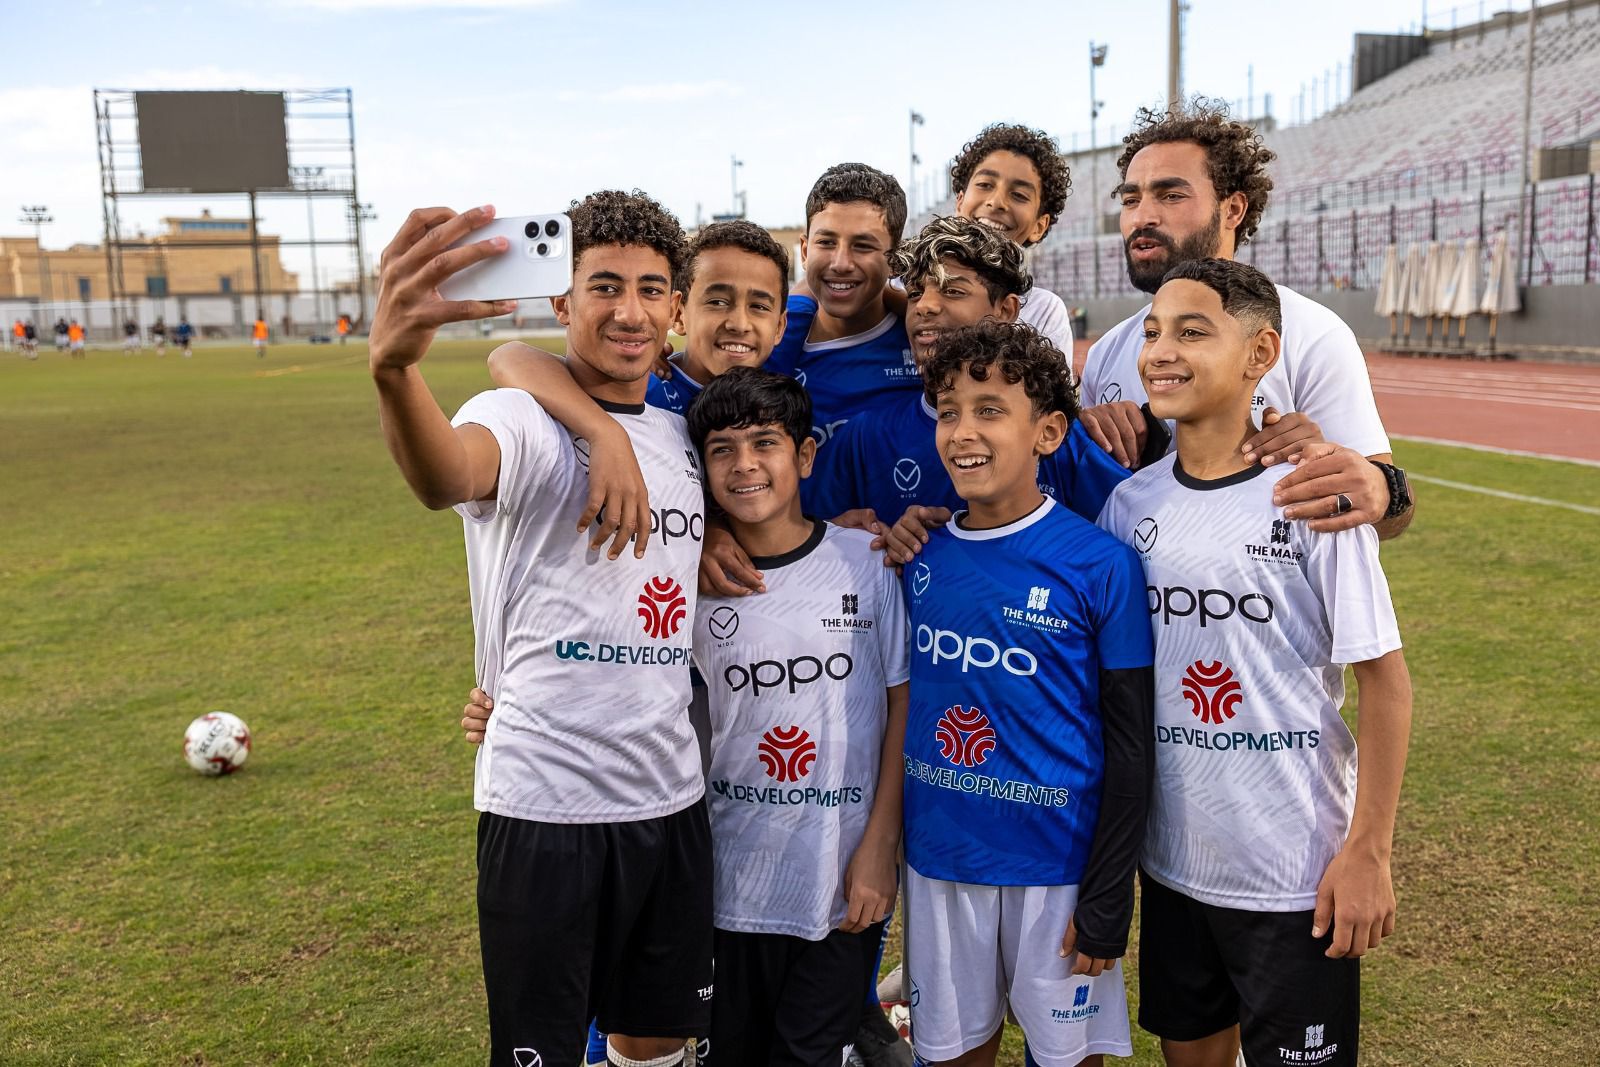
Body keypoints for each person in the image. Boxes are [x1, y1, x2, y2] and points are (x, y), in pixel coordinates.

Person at [369, 192, 711, 1067]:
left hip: (670, 798)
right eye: (603, 286)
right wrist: (395, 371)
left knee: (655, 1043)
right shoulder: (518, 419)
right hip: (545, 805)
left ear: (676, 307)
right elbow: (447, 474)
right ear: (562, 300)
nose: (628, 310)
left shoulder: (684, 437)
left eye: (650, 288)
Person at [1096, 258, 1412, 1067]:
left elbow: (1385, 680)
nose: (1162, 351)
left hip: (1295, 874)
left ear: (1260, 352)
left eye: (1193, 332)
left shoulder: (1312, 495)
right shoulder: (1128, 507)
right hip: (1172, 867)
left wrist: (1369, 850)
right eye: (1153, 332)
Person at [883, 319, 1154, 1067]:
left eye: (990, 410)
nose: (963, 432)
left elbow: (1131, 744)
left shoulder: (1101, 564)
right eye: (948, 412)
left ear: (1049, 432)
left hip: (1056, 869)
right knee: (950, 1053)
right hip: (940, 862)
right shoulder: (917, 552)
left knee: (1066, 1057)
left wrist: (1108, 894)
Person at [1077, 99, 1414, 540]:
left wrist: (1375, 489)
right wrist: (1090, 440)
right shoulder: (1108, 352)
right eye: (1130, 199)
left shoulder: (1310, 331)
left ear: (1233, 209)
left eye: (1171, 195)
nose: (1142, 216)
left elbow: (1385, 513)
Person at [805, 215, 1138, 532]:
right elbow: (808, 538)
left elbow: (1141, 536)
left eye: (952, 290)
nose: (924, 306)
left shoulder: (1060, 436)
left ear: (1006, 310)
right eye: (915, 293)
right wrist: (872, 541)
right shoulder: (866, 438)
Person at [763, 162, 913, 448]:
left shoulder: (925, 343)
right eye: (827, 242)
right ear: (805, 251)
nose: (841, 263)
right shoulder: (768, 345)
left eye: (863, 245)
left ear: (895, 259)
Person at [948, 123, 1077, 352]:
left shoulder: (1043, 311)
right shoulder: (907, 290)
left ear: (1039, 226)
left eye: (1019, 195)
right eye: (984, 185)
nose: (996, 202)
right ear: (960, 202)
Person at [645, 220, 791, 416]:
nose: (739, 324)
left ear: (779, 328)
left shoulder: (782, 402)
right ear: (678, 315)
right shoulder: (644, 394)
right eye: (718, 302)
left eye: (758, 306)